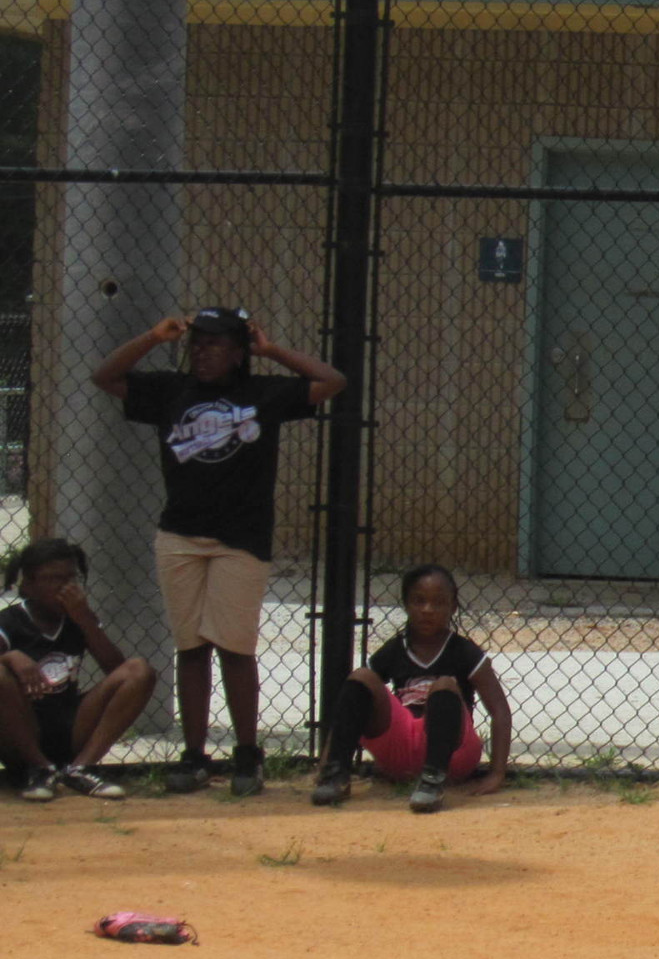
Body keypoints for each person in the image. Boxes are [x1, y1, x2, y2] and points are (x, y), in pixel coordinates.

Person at [92, 308, 345, 796]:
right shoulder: (171, 391)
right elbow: (105, 376)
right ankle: (194, 755)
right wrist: (152, 334)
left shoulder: (261, 394)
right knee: (191, 647)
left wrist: (271, 351)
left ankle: (247, 753)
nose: (202, 352)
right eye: (197, 343)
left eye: (215, 344)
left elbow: (331, 380)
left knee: (234, 647)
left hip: (240, 540)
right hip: (181, 536)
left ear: (237, 352)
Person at [309, 564, 511, 814]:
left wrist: (497, 773)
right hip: (401, 749)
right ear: (405, 604)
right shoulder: (395, 650)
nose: (428, 610)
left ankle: (432, 783)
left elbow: (500, 710)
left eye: (438, 603)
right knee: (362, 676)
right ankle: (335, 773)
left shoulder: (464, 651)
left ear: (453, 607)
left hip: (452, 754)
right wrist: (327, 758)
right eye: (419, 601)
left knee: (444, 685)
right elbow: (355, 700)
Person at [0, 538, 158, 801]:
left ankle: (81, 768)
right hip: (21, 734)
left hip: (70, 725)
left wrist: (84, 619)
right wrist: (10, 657)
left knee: (139, 671)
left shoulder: (79, 618)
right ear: (28, 584)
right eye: (53, 579)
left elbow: (115, 669)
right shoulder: (11, 621)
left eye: (70, 578)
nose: (64, 587)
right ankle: (39, 769)